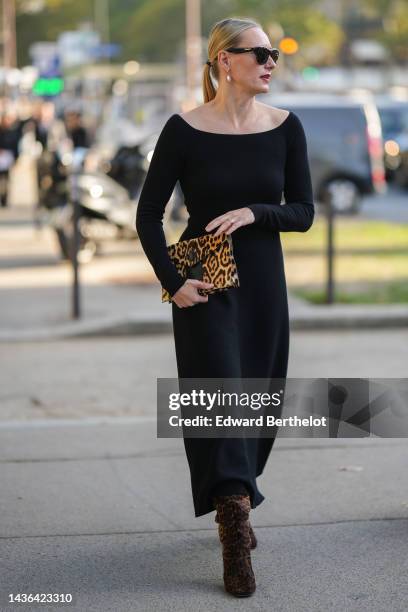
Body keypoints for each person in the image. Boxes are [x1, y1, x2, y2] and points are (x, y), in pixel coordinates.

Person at [135, 16, 315, 598]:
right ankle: (234, 527)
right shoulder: (183, 129)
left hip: (264, 281)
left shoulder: (286, 127)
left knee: (259, 398)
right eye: (257, 52)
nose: (269, 62)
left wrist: (257, 212)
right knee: (220, 398)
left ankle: (235, 494)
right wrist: (172, 282)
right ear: (223, 61)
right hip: (205, 281)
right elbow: (148, 214)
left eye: (273, 55)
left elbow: (304, 212)